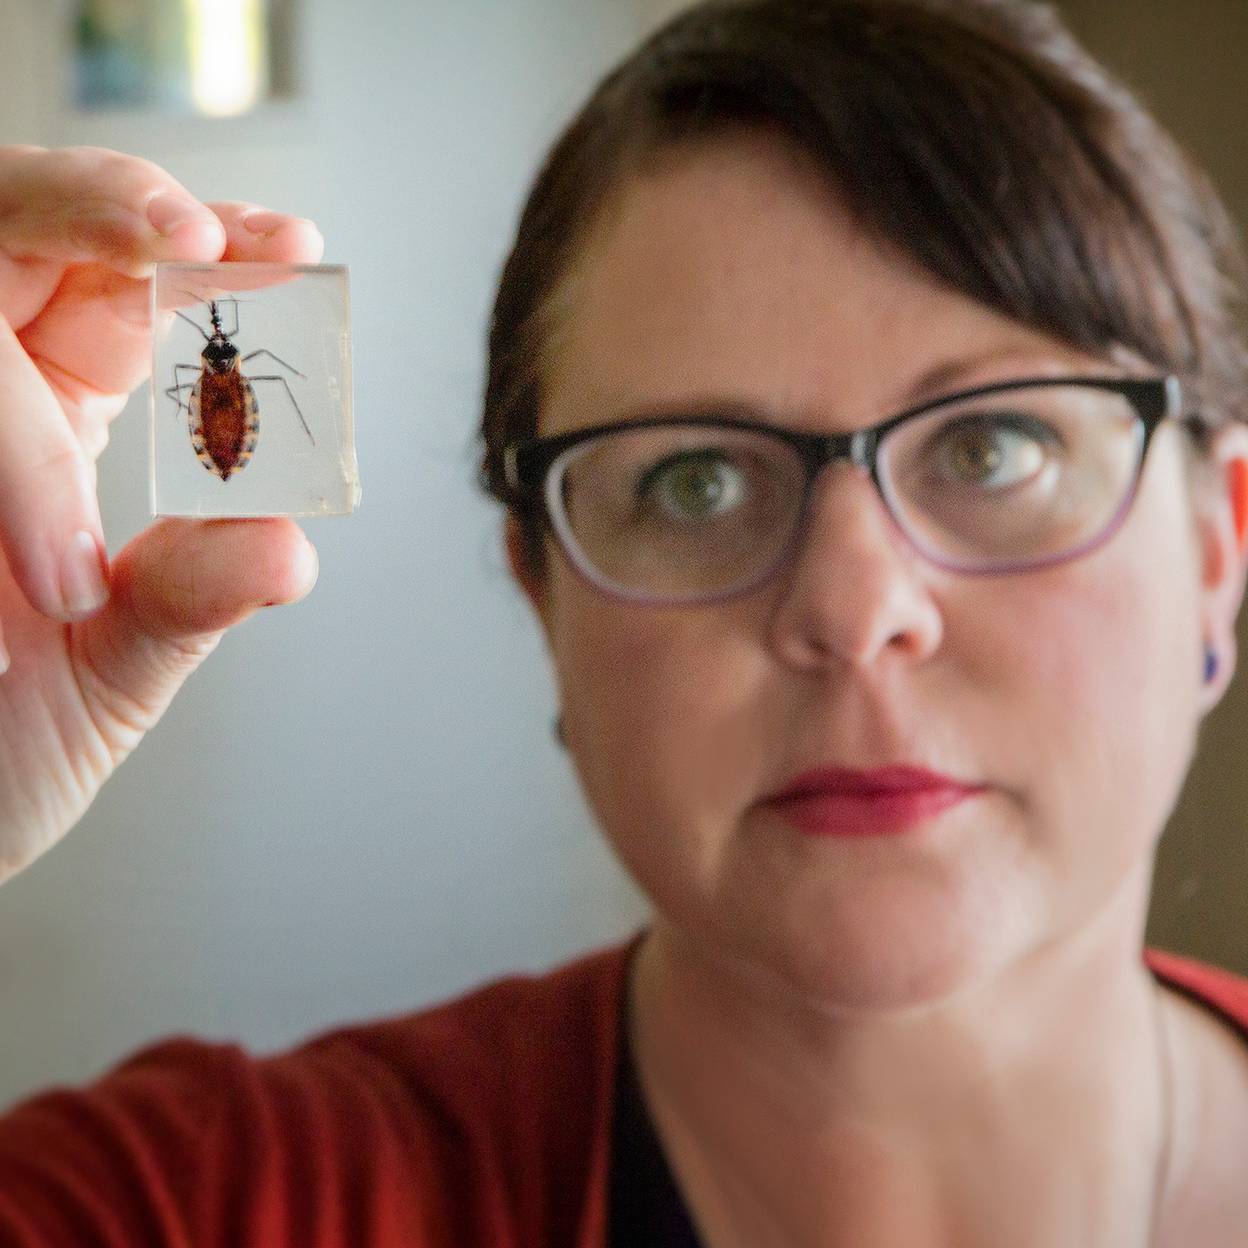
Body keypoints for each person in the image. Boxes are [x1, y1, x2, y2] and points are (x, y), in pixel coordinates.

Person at [2, 0, 1248, 1243]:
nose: (855, 610)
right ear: (545, 596)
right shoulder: (184, 1206)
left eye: (994, 446)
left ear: (1216, 548)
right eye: (693, 480)